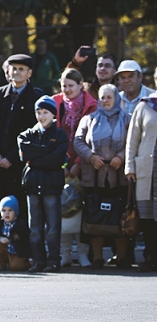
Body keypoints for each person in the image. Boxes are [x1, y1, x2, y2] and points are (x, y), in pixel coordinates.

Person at [0, 53, 41, 268]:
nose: (17, 72)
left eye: (22, 69)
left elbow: (34, 132)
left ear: (29, 73)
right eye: (13, 68)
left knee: (20, 212)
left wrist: (12, 158)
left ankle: (21, 257)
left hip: (19, 167)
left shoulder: (36, 98)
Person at [73, 84, 131, 269]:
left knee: (120, 217)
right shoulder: (89, 119)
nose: (105, 101)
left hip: (119, 177)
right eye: (102, 97)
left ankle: (121, 257)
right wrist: (91, 157)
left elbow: (132, 141)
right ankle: (97, 257)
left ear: (116, 99)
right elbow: (78, 140)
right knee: (95, 217)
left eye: (109, 97)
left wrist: (121, 157)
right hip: (95, 177)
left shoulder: (127, 119)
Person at [18, 95, 69, 273]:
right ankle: (39, 260)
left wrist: (36, 157)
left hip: (51, 186)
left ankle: (54, 260)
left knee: (53, 227)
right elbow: (24, 153)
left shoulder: (60, 135)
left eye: (45, 112)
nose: (41, 116)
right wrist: (46, 152)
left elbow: (57, 159)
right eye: (38, 112)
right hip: (32, 185)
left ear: (53, 114)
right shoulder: (28, 134)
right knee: (35, 228)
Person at [52, 68, 97, 267]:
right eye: (64, 86)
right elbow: (53, 137)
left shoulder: (92, 106)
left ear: (81, 85)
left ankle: (83, 252)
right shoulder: (55, 103)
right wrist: (63, 164)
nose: (67, 90)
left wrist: (78, 164)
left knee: (83, 209)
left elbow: (91, 138)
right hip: (60, 163)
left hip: (84, 164)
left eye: (71, 86)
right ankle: (65, 254)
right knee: (64, 208)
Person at [125, 91, 157, 272]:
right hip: (148, 165)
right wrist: (129, 167)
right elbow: (132, 139)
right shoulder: (145, 105)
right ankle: (150, 256)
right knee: (146, 214)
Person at [0, 196, 30, 272]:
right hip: (6, 249)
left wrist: (29, 257)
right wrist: (0, 239)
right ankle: (1, 264)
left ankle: (23, 263)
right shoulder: (0, 224)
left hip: (17, 252)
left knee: (16, 267)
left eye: (10, 210)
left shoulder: (21, 224)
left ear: (16, 212)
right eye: (4, 210)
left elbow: (26, 242)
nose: (7, 213)